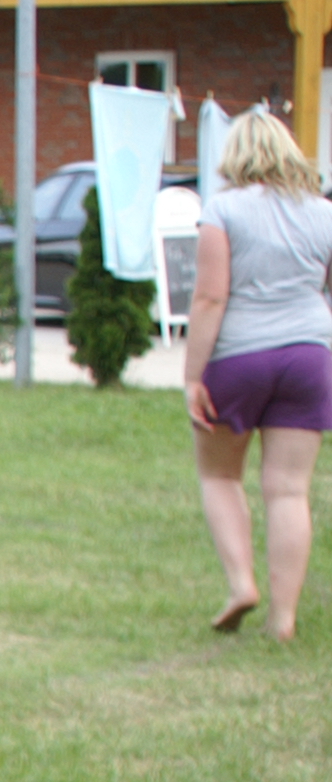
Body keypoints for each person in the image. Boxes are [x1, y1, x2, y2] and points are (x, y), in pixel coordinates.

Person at [184, 105, 332, 640]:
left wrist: (192, 377)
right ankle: (283, 620)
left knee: (220, 476)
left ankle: (242, 584)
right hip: (309, 354)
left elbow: (210, 297)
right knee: (289, 491)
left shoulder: (223, 210)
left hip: (240, 355)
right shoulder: (324, 212)